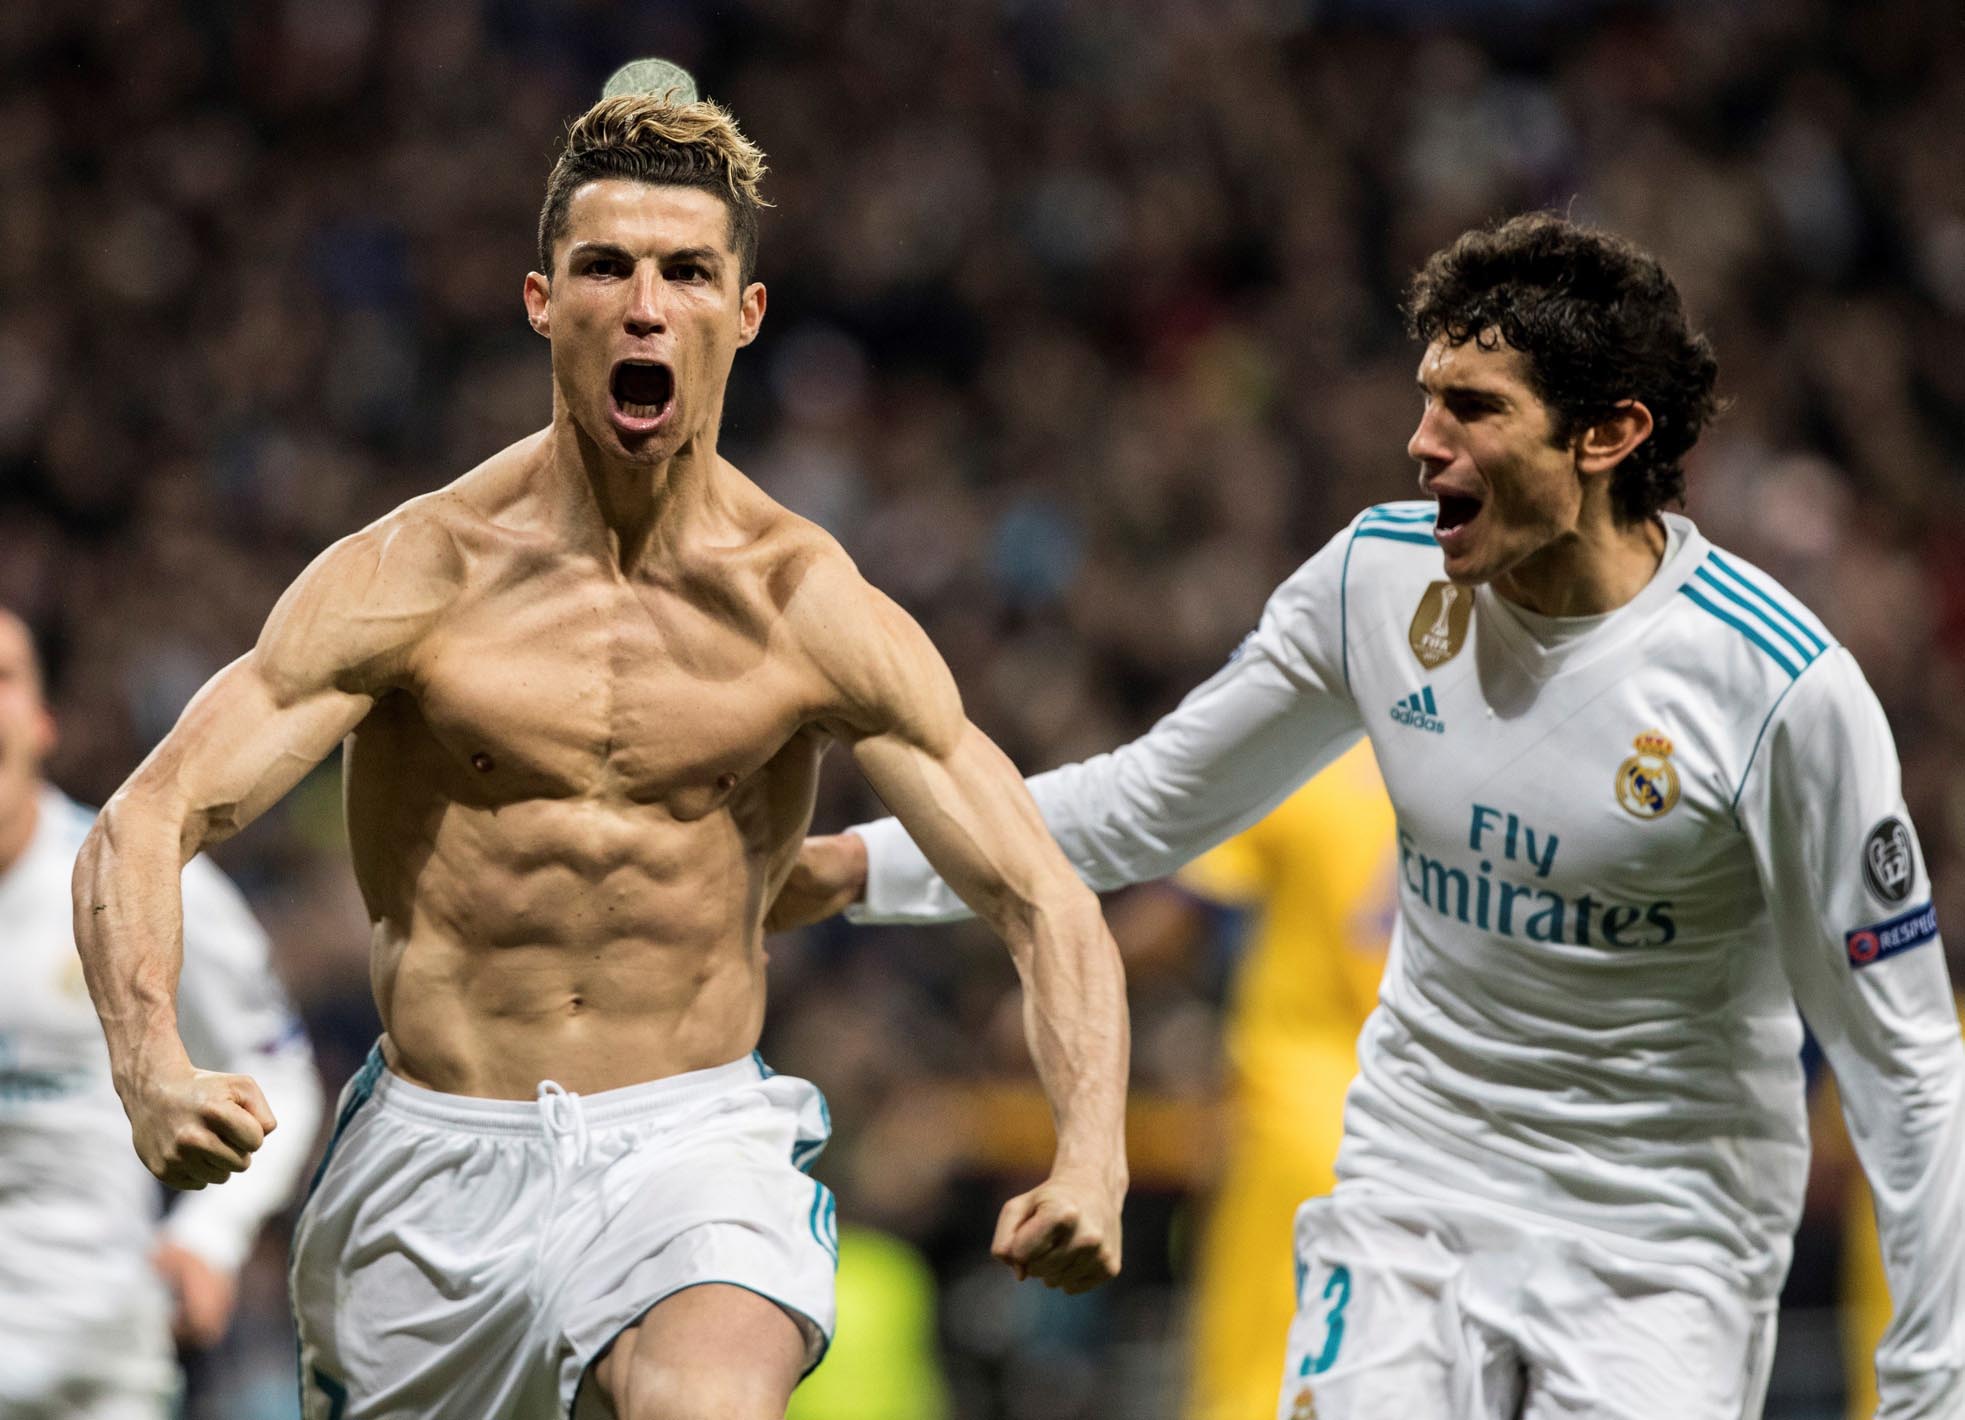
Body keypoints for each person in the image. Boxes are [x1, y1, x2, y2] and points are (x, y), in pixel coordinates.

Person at [772, 213, 1965, 1417]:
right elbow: (1146, 803)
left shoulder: (1781, 693)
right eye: (1426, 396)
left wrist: (1930, 1386)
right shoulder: (1376, 583)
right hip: (1416, 1187)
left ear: (1609, 434)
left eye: (1474, 409)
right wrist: (860, 864)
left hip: (1663, 1237)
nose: (1421, 442)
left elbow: (1905, 1061)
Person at [71, 79, 1129, 1420]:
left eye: (688, 272)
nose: (645, 305)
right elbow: (148, 817)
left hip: (691, 1145)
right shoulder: (417, 575)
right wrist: (151, 1064)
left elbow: (1039, 892)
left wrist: (1093, 1156)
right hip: (436, 1167)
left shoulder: (809, 607)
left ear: (742, 317)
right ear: (541, 300)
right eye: (605, 268)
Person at [0, 608, 320, 1420]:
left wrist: (209, 1235)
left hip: (95, 1370)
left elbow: (279, 1065)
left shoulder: (129, 887)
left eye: (1, 679)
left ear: (43, 722)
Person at [1123, 742, 1395, 1420]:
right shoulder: (1479, 768)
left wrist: (1044, 975)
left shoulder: (1314, 753)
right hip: (1432, 1131)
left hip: (1299, 1125)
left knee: (1254, 1386)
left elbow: (1177, 917)